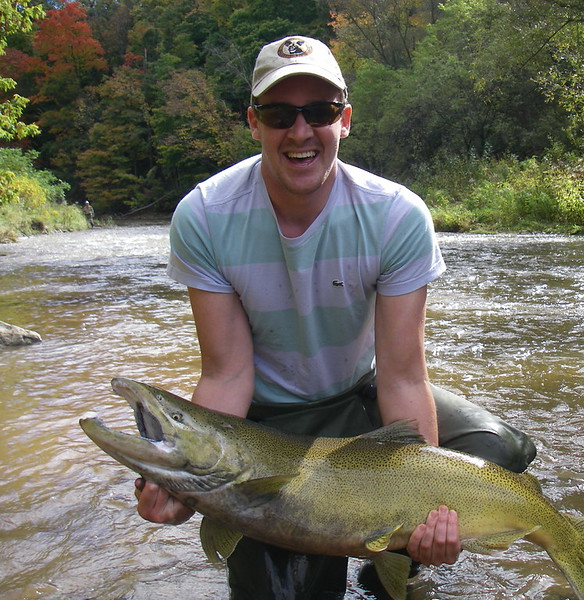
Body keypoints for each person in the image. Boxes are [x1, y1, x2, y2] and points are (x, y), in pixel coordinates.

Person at [135, 35, 537, 600]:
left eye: (320, 112)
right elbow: (227, 374)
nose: (300, 132)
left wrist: (420, 511)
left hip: (358, 397)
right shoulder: (205, 215)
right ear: (254, 122)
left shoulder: (395, 215)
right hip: (267, 422)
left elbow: (402, 375)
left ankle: (394, 560)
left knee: (498, 448)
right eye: (280, 114)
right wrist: (185, 479)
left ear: (344, 120)